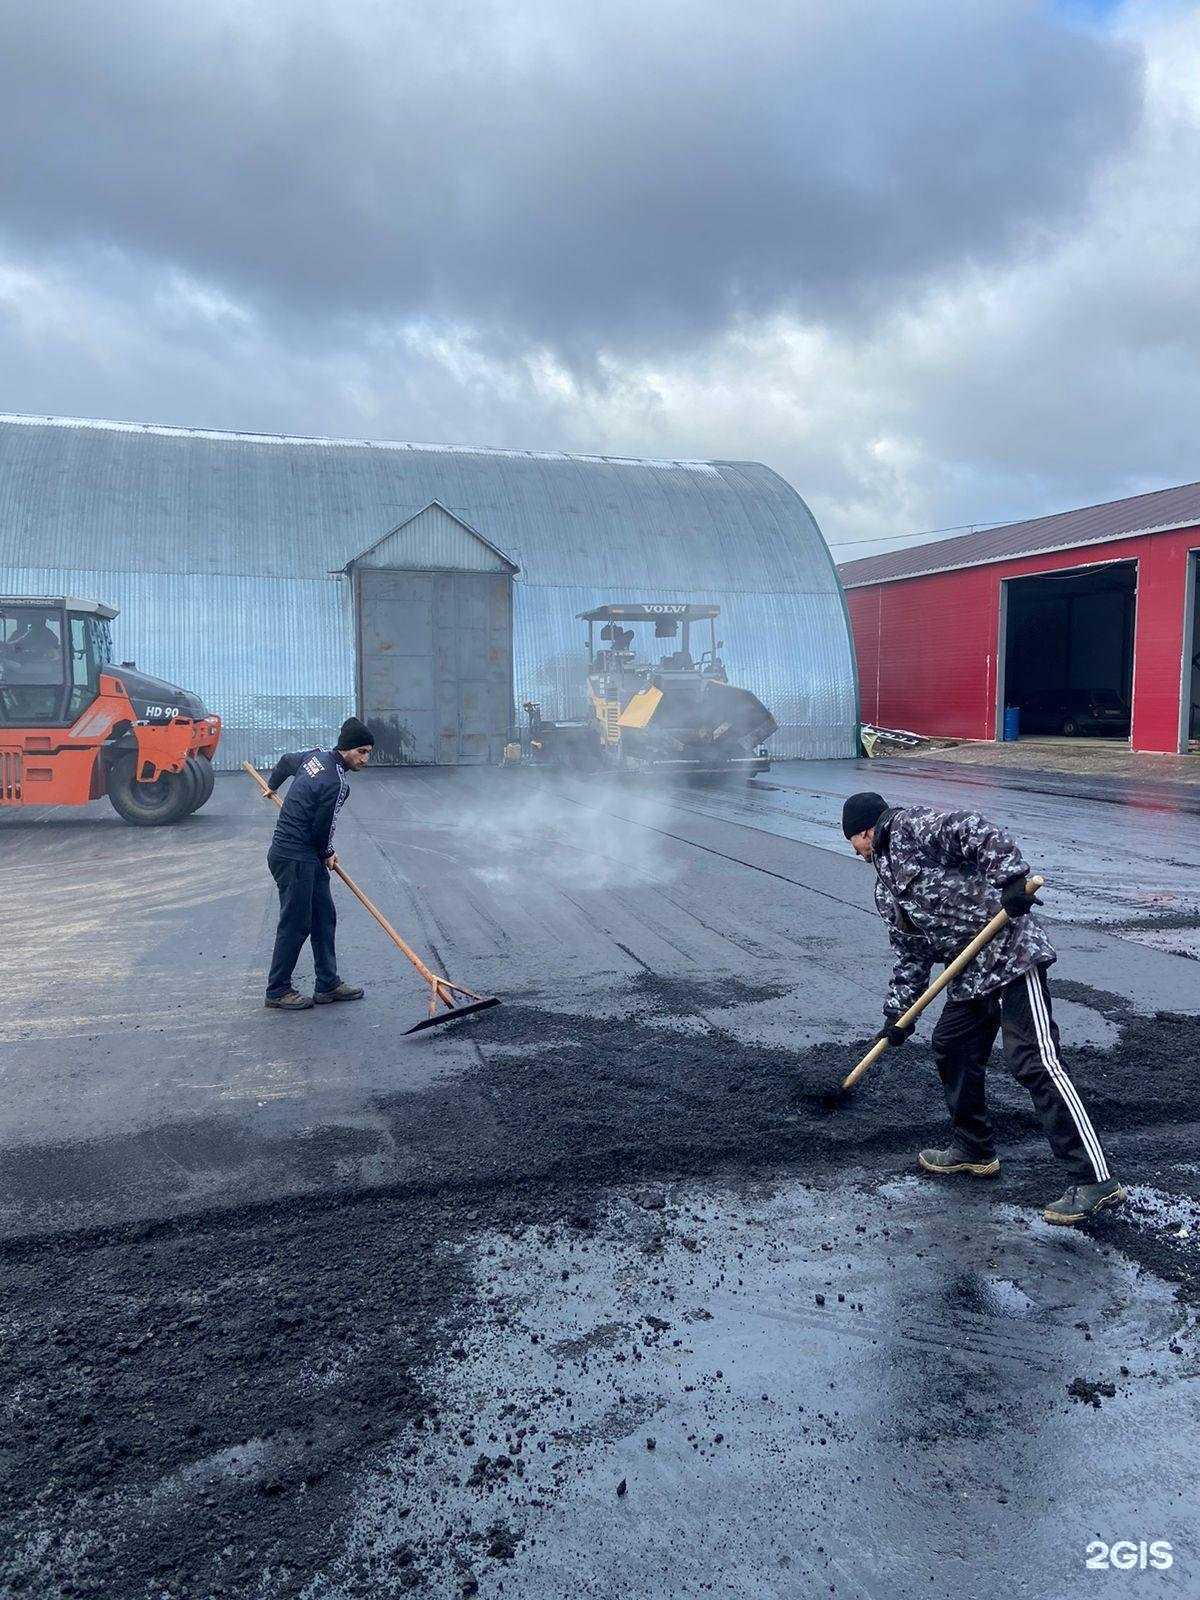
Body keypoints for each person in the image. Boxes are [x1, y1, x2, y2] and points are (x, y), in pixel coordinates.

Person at [842, 790, 1124, 1226]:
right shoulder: (887, 890)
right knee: (951, 1045)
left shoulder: (911, 828)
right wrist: (896, 1017)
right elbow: (911, 954)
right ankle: (973, 1149)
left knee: (1035, 1061)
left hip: (1010, 955)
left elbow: (973, 829)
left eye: (852, 842)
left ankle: (1094, 1180)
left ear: (864, 831)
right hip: (971, 975)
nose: (854, 851)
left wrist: (1011, 879)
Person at [262, 717, 375, 1011]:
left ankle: (327, 983)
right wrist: (327, 851)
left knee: (324, 916)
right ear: (348, 748)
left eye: (368, 753)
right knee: (296, 922)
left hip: (302, 853)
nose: (365, 759)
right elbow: (322, 827)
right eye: (362, 752)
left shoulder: (314, 756)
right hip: (294, 856)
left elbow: (287, 761)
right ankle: (277, 989)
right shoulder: (336, 783)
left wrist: (272, 785)